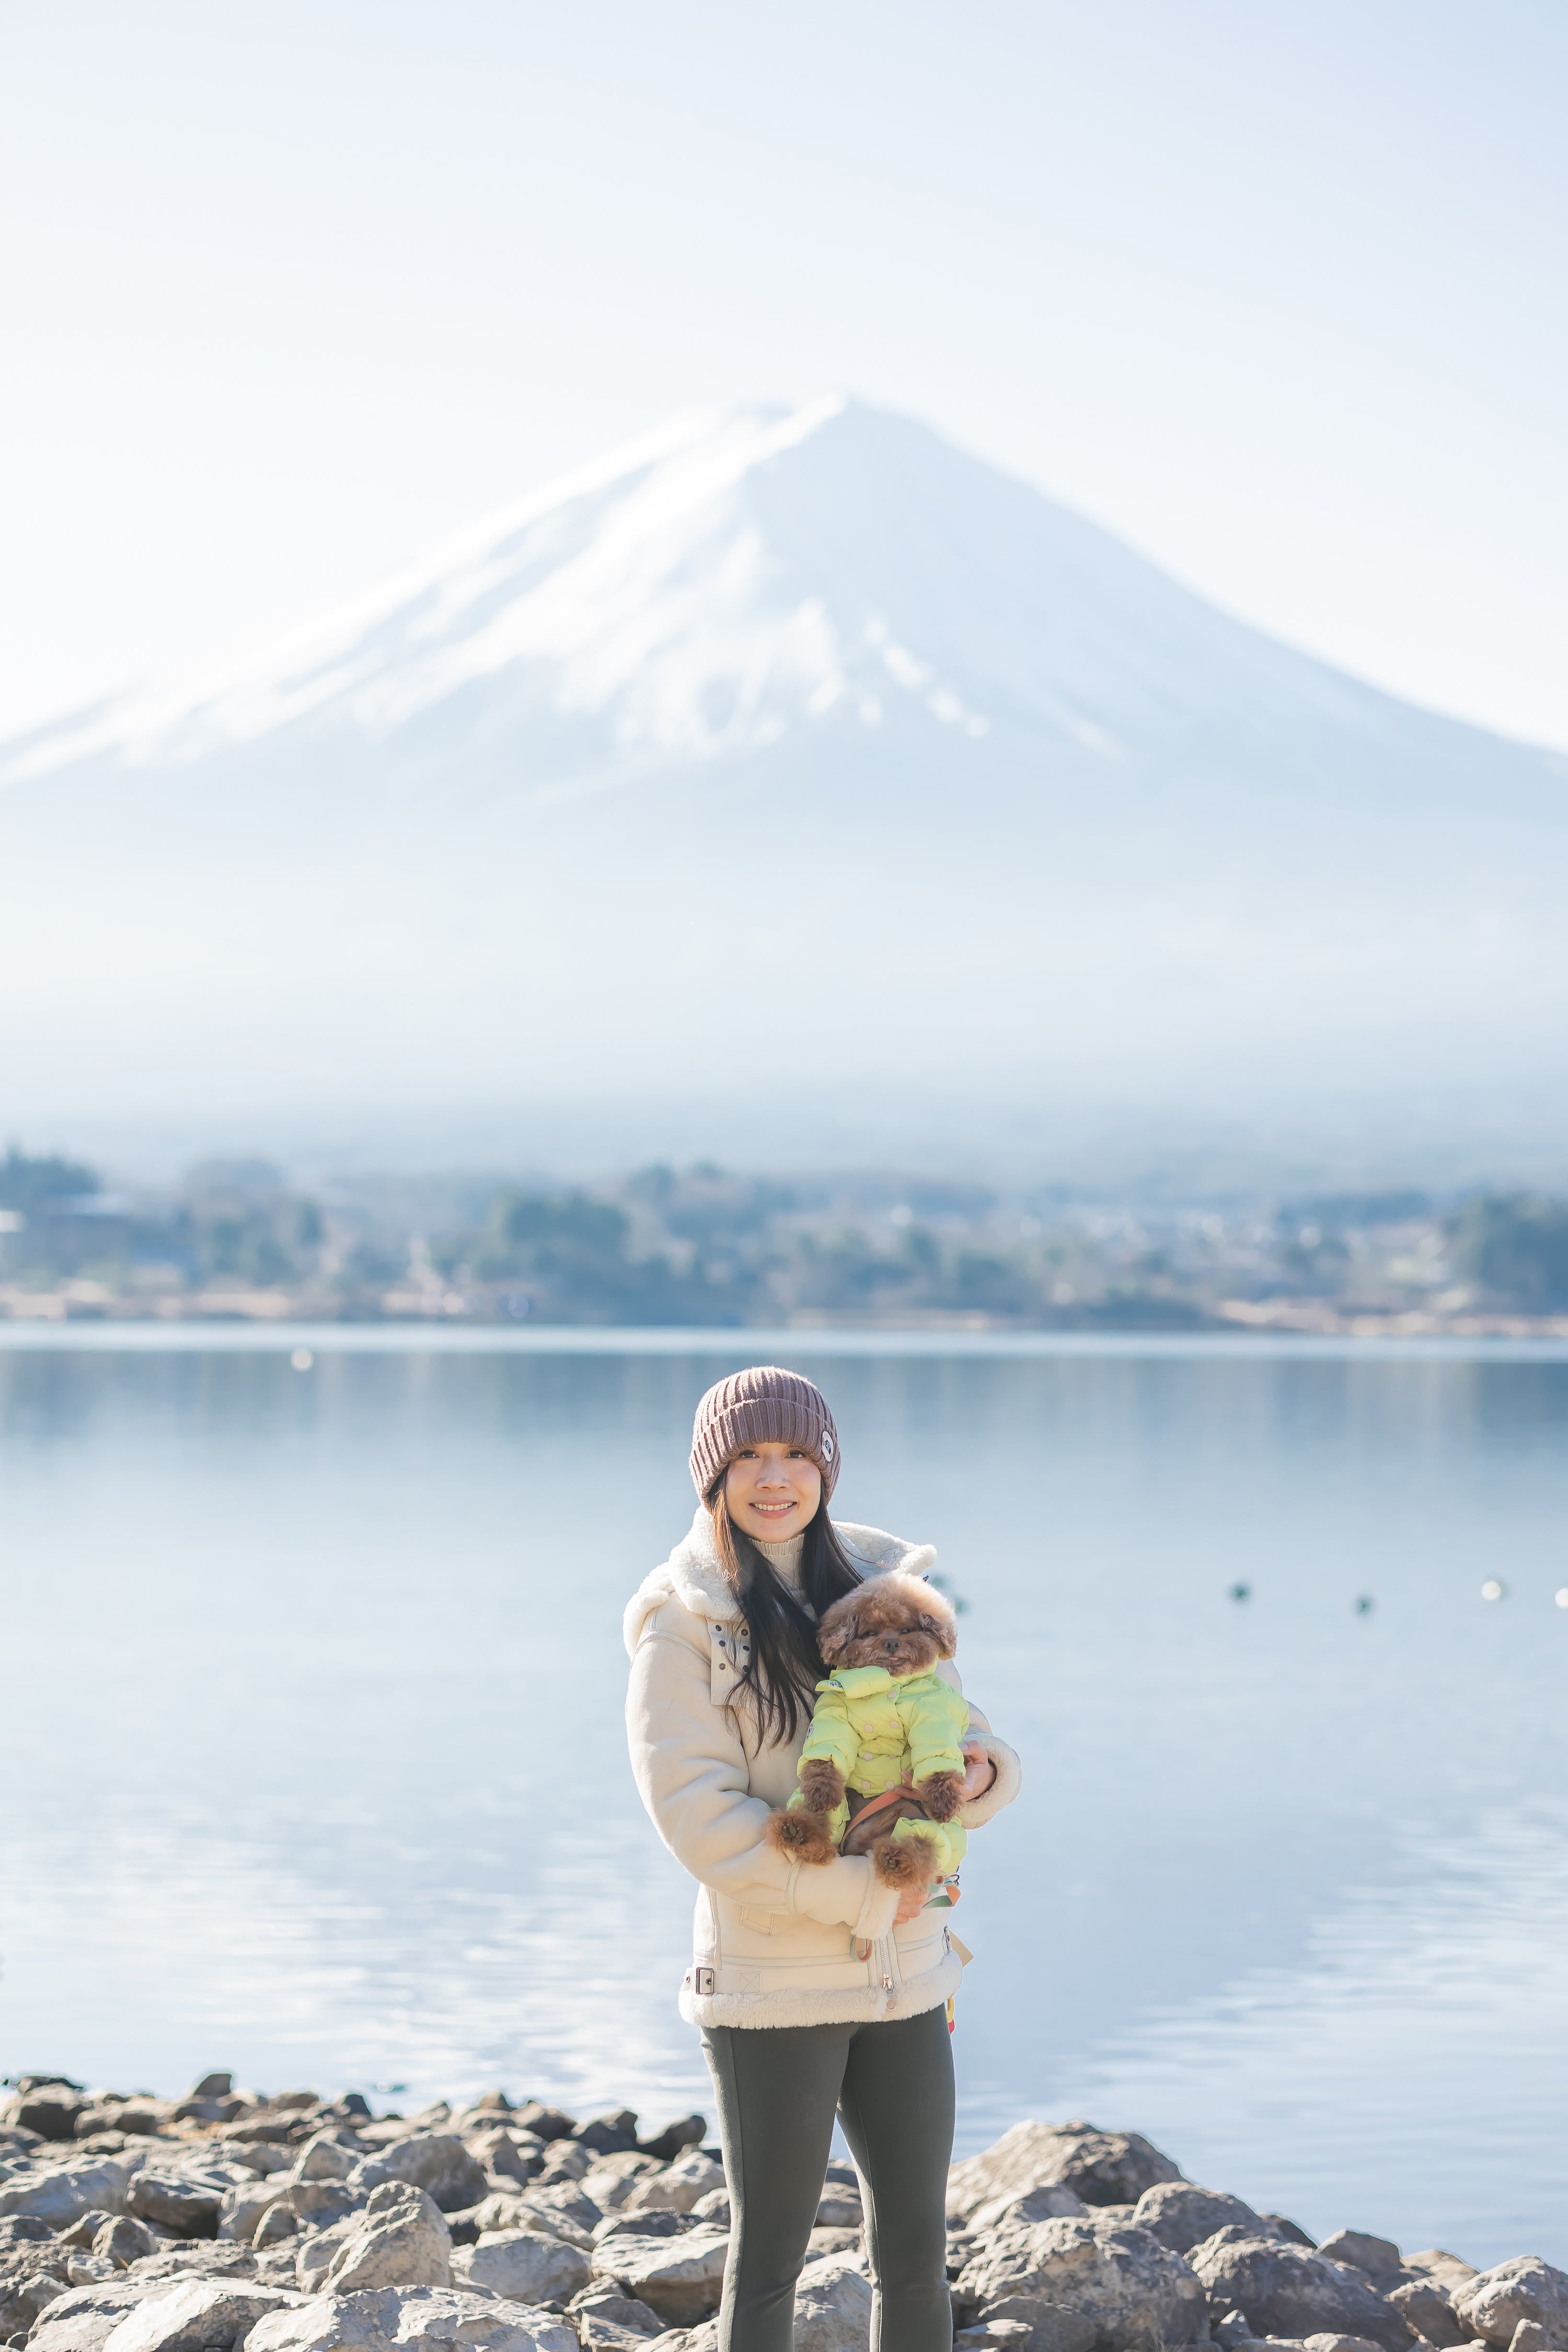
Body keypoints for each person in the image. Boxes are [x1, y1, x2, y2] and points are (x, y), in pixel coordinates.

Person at [624, 1365, 1022, 2352]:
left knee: (918, 2260)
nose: (774, 1476)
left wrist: (981, 1777)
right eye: (749, 1455)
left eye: (796, 1453)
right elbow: (698, 1821)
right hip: (772, 1987)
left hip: (909, 1975)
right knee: (769, 2268)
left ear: (825, 1470)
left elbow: (965, 1729)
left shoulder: (884, 1595)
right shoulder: (684, 1627)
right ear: (711, 1476)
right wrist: (858, 1894)